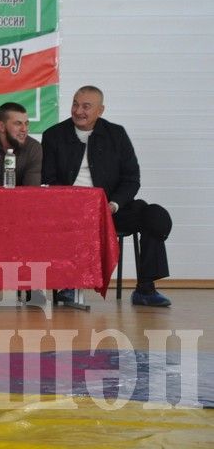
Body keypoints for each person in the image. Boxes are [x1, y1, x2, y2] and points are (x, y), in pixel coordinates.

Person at [42, 86, 173, 307]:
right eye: (75, 104)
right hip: (69, 210)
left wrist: (113, 205)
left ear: (100, 110)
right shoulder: (54, 135)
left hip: (109, 209)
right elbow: (47, 178)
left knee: (155, 216)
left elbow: (132, 178)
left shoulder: (116, 134)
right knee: (65, 223)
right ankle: (68, 285)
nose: (78, 111)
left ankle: (145, 289)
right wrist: (69, 203)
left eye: (86, 106)